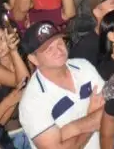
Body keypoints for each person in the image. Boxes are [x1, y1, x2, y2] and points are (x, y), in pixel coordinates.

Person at [17, 21, 105, 149]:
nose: (58, 50)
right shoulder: (32, 102)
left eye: (59, 42)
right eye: (49, 49)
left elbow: (110, 107)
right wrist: (91, 119)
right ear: (33, 59)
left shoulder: (83, 66)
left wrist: (72, 128)